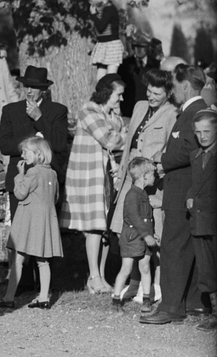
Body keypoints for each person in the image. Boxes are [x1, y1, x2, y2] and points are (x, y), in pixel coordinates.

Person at [141, 65, 208, 325]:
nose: (173, 91)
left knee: (173, 246)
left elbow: (191, 147)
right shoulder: (197, 111)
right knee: (190, 246)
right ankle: (195, 303)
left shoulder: (193, 112)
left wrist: (164, 159)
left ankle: (171, 306)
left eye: (175, 86)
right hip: (191, 188)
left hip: (182, 188)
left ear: (185, 86)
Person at [59, 73, 126, 294]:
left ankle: (100, 276)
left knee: (104, 228)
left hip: (106, 176)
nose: (121, 100)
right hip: (89, 177)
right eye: (119, 94)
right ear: (107, 92)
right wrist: (120, 132)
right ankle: (94, 277)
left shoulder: (110, 115)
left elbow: (120, 136)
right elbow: (111, 140)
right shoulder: (88, 111)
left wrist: (118, 130)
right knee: (95, 228)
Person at [0, 136, 62, 310]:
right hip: (45, 220)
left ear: (37, 154)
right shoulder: (52, 172)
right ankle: (44, 297)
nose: (22, 154)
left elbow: (21, 193)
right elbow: (56, 197)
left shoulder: (33, 172)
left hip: (29, 220)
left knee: (19, 259)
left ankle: (9, 297)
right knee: (42, 260)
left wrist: (19, 175)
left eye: (25, 152)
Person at [110, 69, 176, 252]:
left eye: (157, 93)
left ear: (168, 93)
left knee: (151, 232)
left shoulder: (172, 113)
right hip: (129, 177)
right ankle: (134, 278)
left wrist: (156, 172)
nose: (151, 96)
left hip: (151, 181)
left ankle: (151, 278)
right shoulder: (139, 106)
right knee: (121, 227)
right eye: (149, 91)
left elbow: (171, 151)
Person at [0, 66, 70, 217]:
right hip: (20, 179)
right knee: (20, 233)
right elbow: (5, 145)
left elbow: (59, 144)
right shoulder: (11, 110)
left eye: (34, 87)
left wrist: (39, 119)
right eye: (27, 86)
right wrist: (37, 139)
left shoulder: (57, 111)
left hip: (46, 181)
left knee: (44, 231)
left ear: (43, 89)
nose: (29, 90)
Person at [111, 157, 158, 311]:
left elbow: (146, 218)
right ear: (144, 176)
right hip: (132, 238)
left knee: (145, 267)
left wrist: (152, 233)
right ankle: (116, 299)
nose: (154, 177)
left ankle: (146, 299)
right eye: (152, 174)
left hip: (144, 238)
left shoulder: (143, 193)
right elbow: (135, 218)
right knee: (126, 268)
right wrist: (147, 235)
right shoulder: (132, 195)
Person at [186, 109, 217, 331]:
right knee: (206, 270)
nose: (203, 136)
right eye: (198, 132)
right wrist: (189, 196)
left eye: (207, 131)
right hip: (199, 219)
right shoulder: (195, 156)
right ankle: (213, 314)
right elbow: (196, 184)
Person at [88, 0, 123, 80]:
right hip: (103, 44)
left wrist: (93, 15)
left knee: (110, 78)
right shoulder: (100, 8)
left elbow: (101, 27)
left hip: (112, 45)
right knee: (100, 78)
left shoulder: (109, 9)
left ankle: (112, 95)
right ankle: (101, 95)